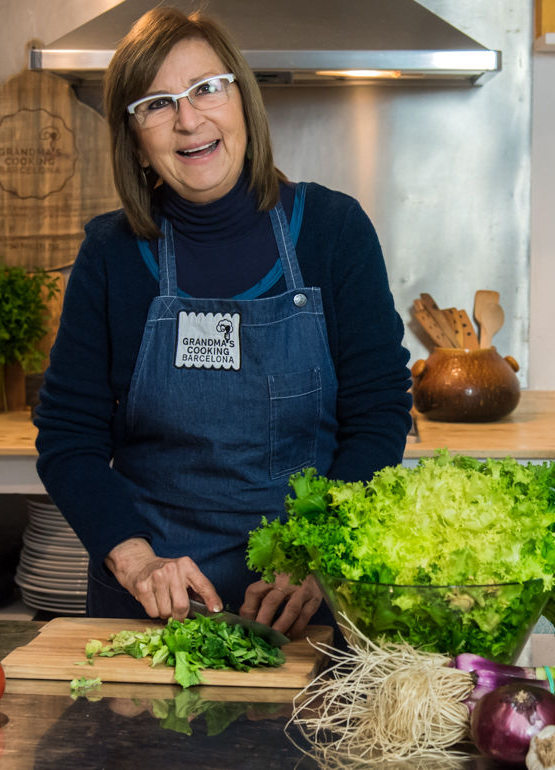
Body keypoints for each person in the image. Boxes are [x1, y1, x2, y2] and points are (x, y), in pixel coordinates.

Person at [33, 7, 412, 637]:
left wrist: (320, 556)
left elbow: (378, 416)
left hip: (309, 609)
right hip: (153, 613)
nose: (188, 120)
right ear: (134, 138)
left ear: (243, 98)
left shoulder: (333, 231)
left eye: (206, 88)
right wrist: (136, 560)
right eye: (156, 103)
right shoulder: (111, 254)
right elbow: (68, 438)